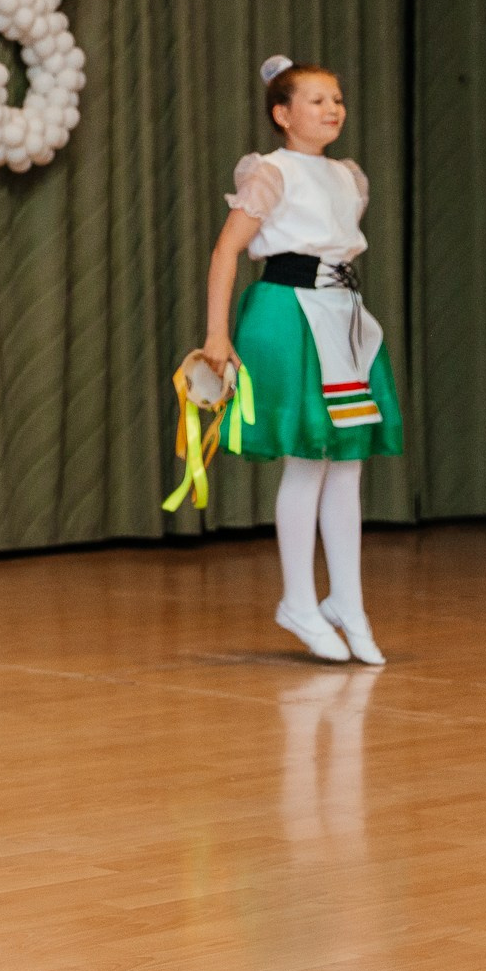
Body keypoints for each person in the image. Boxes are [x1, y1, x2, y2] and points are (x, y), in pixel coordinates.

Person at [199, 56, 399, 665]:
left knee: (347, 464)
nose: (332, 108)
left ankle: (347, 600)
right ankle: (297, 600)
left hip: (342, 318)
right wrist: (216, 336)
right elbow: (228, 250)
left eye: (336, 99)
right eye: (315, 100)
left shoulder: (347, 176)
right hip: (287, 316)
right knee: (306, 460)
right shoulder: (271, 171)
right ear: (282, 114)